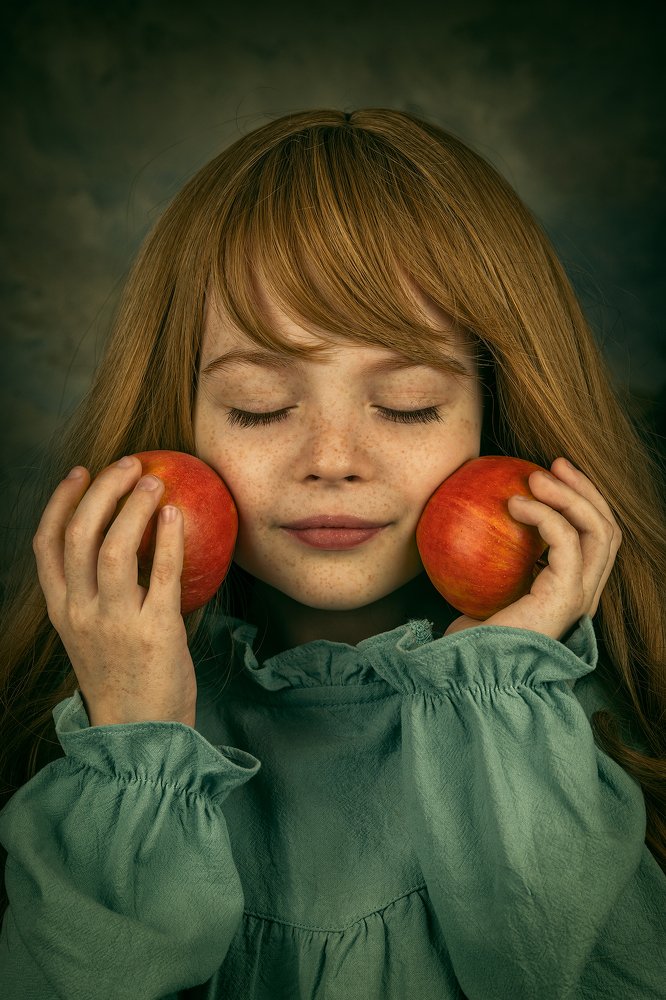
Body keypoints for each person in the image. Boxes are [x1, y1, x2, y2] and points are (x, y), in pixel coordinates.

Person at [0, 108, 664, 1000]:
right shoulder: (88, 746)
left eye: (409, 403)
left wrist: (505, 683)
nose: (333, 459)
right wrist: (136, 736)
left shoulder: (594, 724)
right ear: (180, 418)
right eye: (261, 407)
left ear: (495, 419)